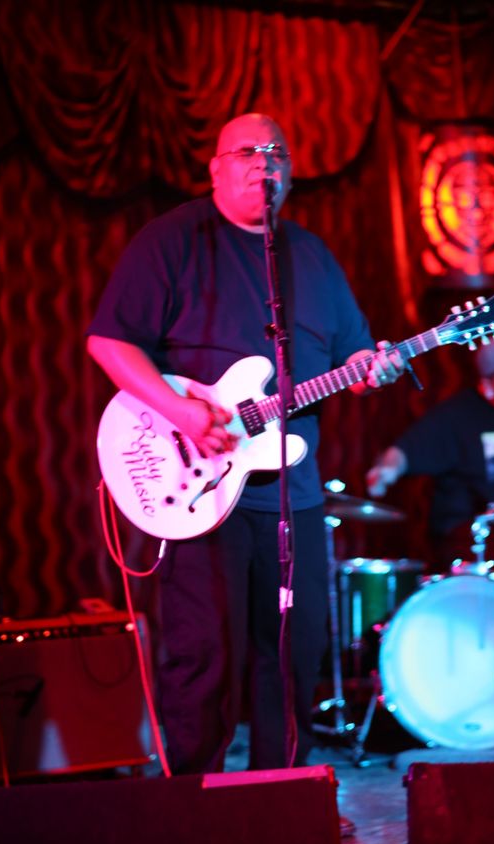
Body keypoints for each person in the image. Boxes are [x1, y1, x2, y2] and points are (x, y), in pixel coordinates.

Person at [87, 113, 404, 775]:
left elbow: (353, 359)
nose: (265, 163)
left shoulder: (311, 256)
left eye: (277, 152)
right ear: (215, 168)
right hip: (202, 489)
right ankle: (191, 807)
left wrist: (376, 367)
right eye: (247, 152)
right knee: (204, 655)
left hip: (294, 493)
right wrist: (181, 409)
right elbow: (109, 342)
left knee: (293, 654)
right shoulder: (172, 239)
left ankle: (282, 799)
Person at [366, 331, 494, 571]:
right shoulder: (455, 417)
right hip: (478, 551)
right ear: (488, 385)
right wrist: (386, 470)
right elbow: (404, 451)